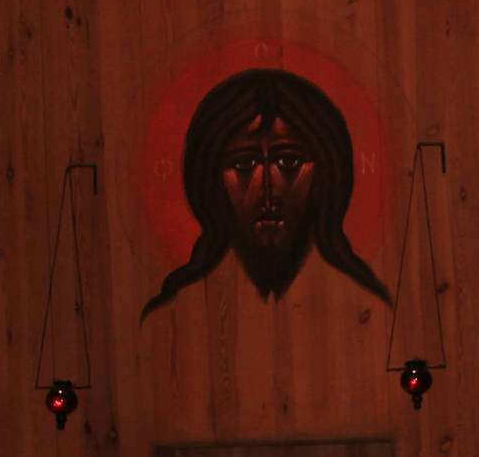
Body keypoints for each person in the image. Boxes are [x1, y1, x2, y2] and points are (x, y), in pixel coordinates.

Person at [142, 68, 392, 317]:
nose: (267, 189)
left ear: (326, 171)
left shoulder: (368, 311)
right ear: (211, 178)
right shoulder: (175, 315)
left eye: (289, 162)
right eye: (244, 164)